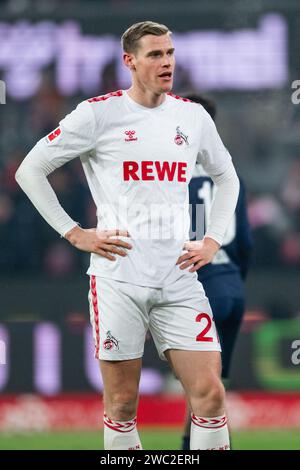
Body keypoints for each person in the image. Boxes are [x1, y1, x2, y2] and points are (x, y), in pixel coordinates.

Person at [15, 21, 240, 450]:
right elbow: (30, 170)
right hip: (119, 277)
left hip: (178, 273)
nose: (166, 61)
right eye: (155, 54)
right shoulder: (98, 113)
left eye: (170, 52)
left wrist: (212, 239)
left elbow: (226, 177)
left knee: (210, 396)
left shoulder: (190, 117)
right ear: (130, 62)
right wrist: (74, 232)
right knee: (121, 404)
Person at [181, 94, 253, 450]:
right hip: (233, 287)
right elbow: (247, 242)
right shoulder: (228, 173)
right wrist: (237, 280)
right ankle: (197, 444)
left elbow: (189, 236)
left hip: (201, 285)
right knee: (212, 383)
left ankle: (192, 449)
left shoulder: (177, 174)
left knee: (202, 387)